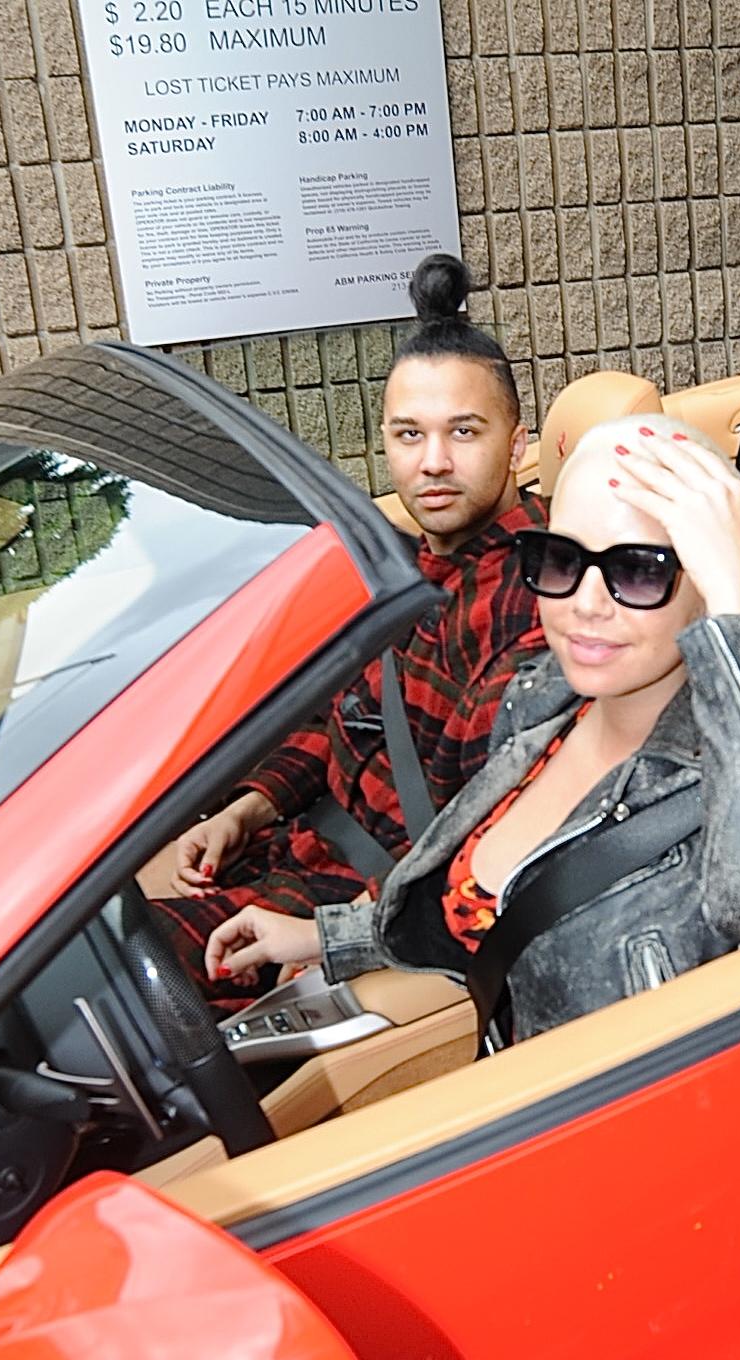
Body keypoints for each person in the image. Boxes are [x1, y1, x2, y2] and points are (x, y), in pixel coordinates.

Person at [203, 417, 740, 1047]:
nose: (585, 603)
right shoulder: (542, 696)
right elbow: (470, 909)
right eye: (559, 558)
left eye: (639, 568)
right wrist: (326, 937)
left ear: (708, 582)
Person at [150, 252, 547, 1001]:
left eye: (463, 432)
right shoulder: (401, 564)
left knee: (101, 991)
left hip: (365, 900)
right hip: (292, 848)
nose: (432, 462)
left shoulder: (529, 600)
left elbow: (485, 836)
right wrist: (248, 807)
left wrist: (329, 936)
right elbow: (349, 713)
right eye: (408, 435)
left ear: (517, 445)